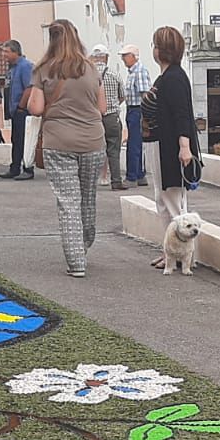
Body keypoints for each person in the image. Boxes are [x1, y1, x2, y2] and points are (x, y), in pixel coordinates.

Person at [28, 19, 107, 278]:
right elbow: (103, 108)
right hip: (93, 141)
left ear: (51, 40)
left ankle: (76, 262)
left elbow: (36, 108)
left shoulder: (43, 70)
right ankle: (84, 244)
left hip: (58, 141)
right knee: (87, 197)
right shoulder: (91, 68)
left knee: (68, 201)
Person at [143, 25, 198, 269]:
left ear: (161, 50)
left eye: (155, 44)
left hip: (170, 146)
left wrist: (184, 147)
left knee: (174, 201)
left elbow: (181, 115)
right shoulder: (167, 76)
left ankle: (184, 254)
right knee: (163, 200)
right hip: (159, 144)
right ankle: (170, 250)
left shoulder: (174, 77)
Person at [92, 43, 129, 191]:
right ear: (106, 57)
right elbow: (122, 96)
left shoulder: (87, 76)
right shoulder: (114, 74)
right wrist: (112, 104)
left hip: (94, 118)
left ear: (94, 58)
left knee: (93, 150)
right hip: (112, 117)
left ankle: (91, 180)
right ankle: (116, 181)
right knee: (113, 149)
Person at [0, 39, 34, 180]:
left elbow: (29, 87)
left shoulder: (25, 66)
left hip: (23, 111)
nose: (4, 54)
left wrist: (21, 106)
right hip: (15, 111)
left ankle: (28, 168)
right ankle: (15, 168)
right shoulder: (12, 68)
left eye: (6, 52)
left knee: (24, 140)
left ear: (15, 52)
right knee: (16, 139)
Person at [121, 42, 152, 186]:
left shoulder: (139, 72)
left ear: (134, 56)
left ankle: (132, 176)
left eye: (125, 56)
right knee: (136, 143)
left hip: (137, 110)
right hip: (133, 109)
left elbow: (145, 95)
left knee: (133, 144)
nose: (123, 59)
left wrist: (146, 115)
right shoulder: (134, 72)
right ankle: (139, 175)